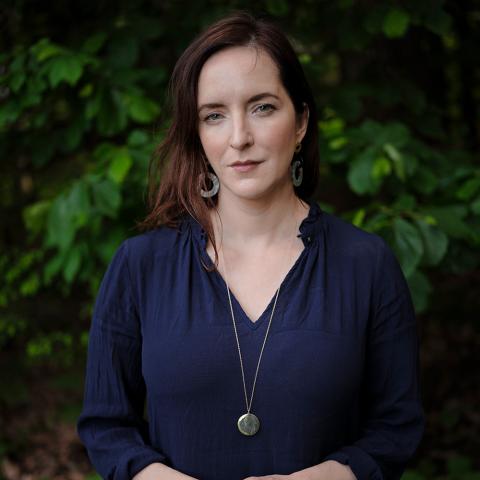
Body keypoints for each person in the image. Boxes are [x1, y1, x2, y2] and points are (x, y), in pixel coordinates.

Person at [77, 10, 425, 480]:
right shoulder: (140, 266)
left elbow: (396, 430)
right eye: (214, 115)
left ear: (300, 121)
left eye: (262, 107)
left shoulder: (366, 264)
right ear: (197, 136)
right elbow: (105, 426)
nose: (239, 137)